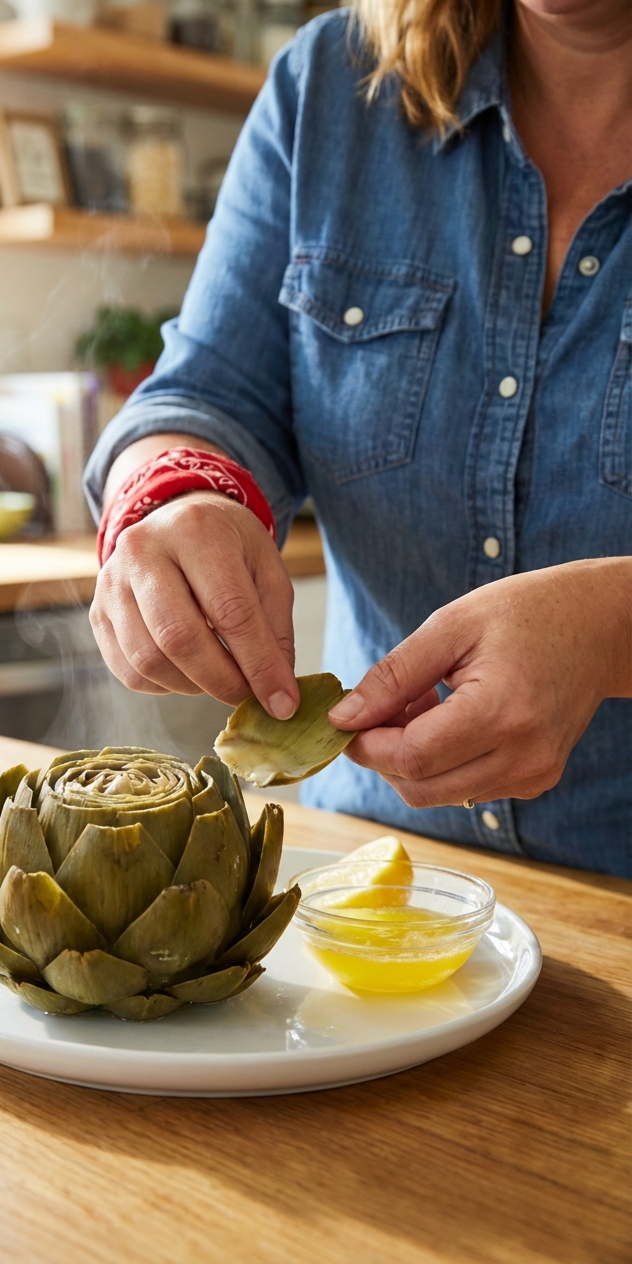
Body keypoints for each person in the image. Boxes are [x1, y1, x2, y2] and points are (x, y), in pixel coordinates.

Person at [84, 0, 632, 877]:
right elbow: (204, 394)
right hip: (371, 881)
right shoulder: (330, 83)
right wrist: (173, 489)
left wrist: (613, 631)